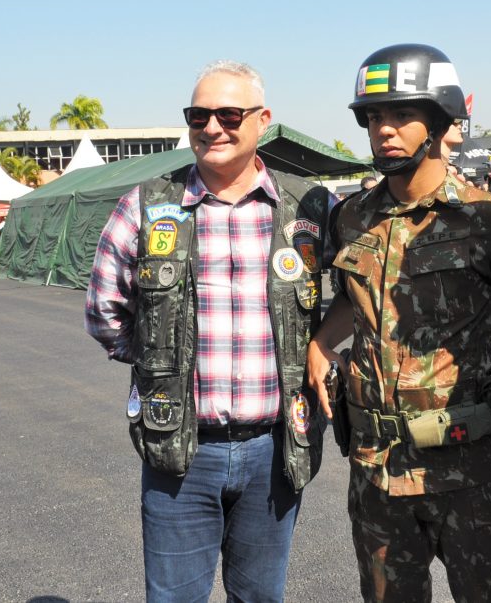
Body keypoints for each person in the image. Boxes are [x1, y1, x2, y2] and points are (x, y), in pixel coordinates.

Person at [85, 60, 333, 602]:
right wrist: (160, 363)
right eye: (199, 116)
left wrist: (323, 347)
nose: (212, 127)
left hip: (275, 449)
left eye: (229, 115)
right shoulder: (147, 205)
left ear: (262, 120)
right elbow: (104, 310)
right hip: (182, 451)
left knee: (261, 597)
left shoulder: (309, 207)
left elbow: (354, 291)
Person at [307, 43, 491, 603]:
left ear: (439, 122)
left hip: (467, 472)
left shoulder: (489, 220)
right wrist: (320, 343)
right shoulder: (353, 217)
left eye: (402, 114)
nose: (384, 129)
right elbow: (355, 299)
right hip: (376, 474)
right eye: (373, 117)